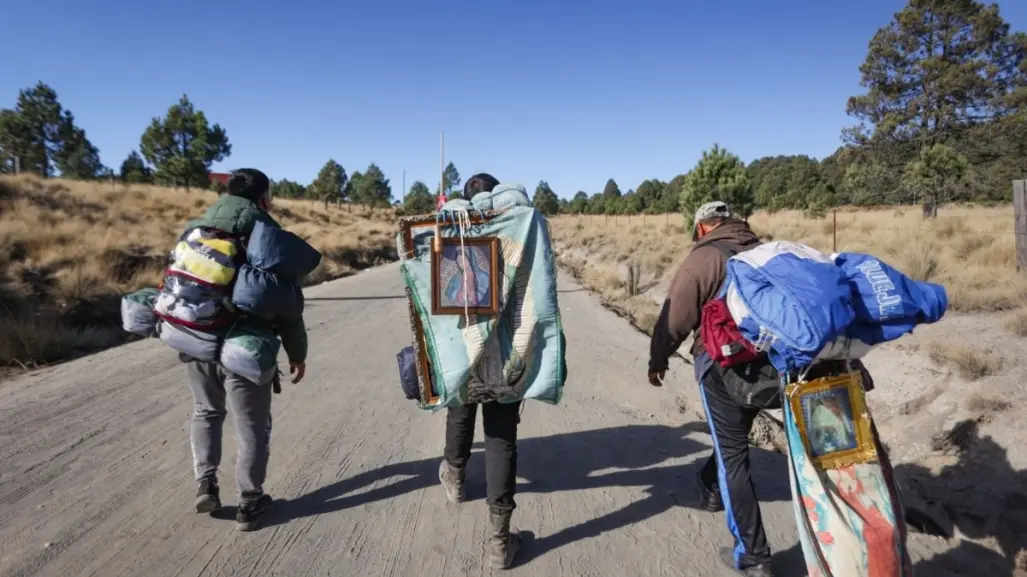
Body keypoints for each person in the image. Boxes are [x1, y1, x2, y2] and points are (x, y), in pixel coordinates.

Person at [647, 200, 774, 577]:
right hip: (770, 362)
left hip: (722, 367)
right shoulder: (763, 250)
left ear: (702, 227)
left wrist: (658, 359)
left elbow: (675, 317)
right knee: (732, 440)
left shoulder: (703, 258)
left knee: (733, 453)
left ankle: (755, 555)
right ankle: (710, 486)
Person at [185, 168, 308, 532]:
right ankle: (250, 501)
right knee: (251, 424)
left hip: (197, 339)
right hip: (247, 346)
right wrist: (297, 353)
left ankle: (205, 483)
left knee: (206, 410)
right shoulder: (270, 239)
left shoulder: (196, 230)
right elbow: (286, 307)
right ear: (264, 199)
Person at [437, 171, 523, 570]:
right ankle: (499, 541)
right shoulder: (519, 229)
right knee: (501, 436)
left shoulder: (453, 232)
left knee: (461, 409)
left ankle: (455, 480)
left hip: (464, 345)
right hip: (508, 351)